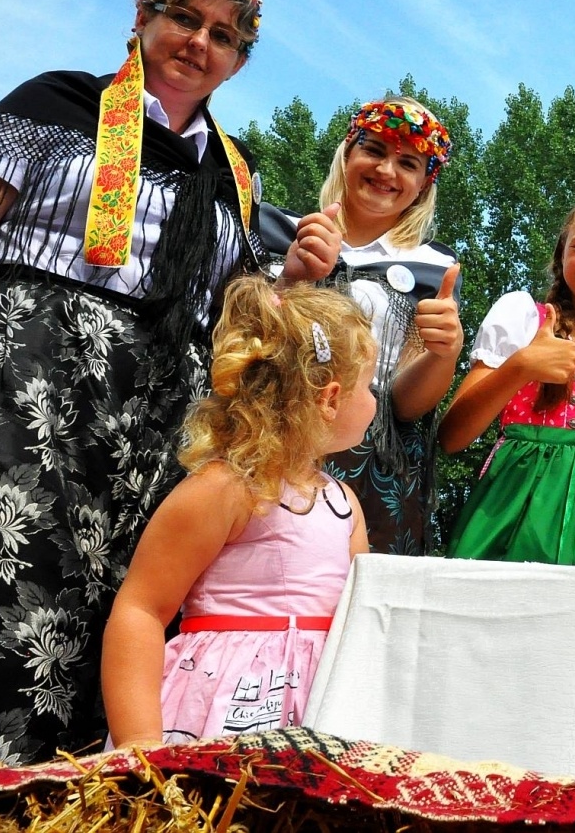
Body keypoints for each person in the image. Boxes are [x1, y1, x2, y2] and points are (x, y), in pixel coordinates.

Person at [0, 0, 328, 762]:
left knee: (102, 599)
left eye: (223, 35)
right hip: (15, 378)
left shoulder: (235, 172)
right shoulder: (56, 103)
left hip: (147, 423)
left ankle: (53, 786)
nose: (198, 42)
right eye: (184, 18)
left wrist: (289, 283)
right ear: (144, 19)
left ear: (239, 61)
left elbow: (233, 316)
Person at [100, 276, 374, 747]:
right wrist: (139, 750)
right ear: (329, 398)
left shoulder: (344, 504)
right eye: (368, 387)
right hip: (219, 710)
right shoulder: (224, 489)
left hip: (326, 709)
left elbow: (362, 619)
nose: (374, 403)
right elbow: (141, 609)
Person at [259, 97, 462, 555]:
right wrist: (292, 278)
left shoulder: (435, 267)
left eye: (408, 162)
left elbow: (408, 408)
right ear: (347, 154)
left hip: (378, 472)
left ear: (425, 182)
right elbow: (241, 346)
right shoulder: (276, 230)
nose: (387, 171)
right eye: (374, 150)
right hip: (271, 442)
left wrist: (443, 352)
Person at [440, 188, 575, 566]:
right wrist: (520, 367)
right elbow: (452, 436)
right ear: (562, 252)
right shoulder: (524, 319)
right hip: (511, 507)